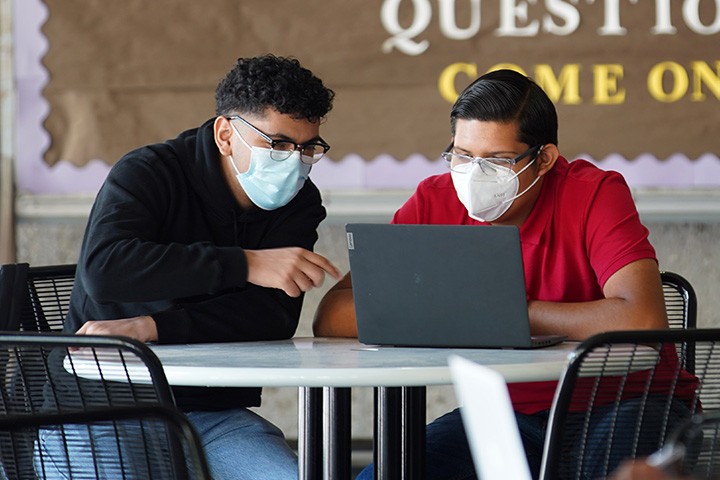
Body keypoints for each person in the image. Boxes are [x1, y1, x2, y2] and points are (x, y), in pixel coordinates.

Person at [313, 69, 696, 479]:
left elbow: (642, 320)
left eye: (496, 160)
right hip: (506, 414)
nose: (474, 174)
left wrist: (504, 312)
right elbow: (333, 315)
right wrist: (473, 313)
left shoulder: (595, 193)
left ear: (544, 159)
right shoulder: (434, 201)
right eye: (461, 155)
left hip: (628, 401)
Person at [36, 54, 341, 480]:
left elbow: (271, 315)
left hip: (209, 413)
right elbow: (106, 269)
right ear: (225, 134)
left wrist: (152, 327)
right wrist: (246, 264)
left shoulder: (300, 201)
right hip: (99, 406)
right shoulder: (148, 172)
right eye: (278, 144)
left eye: (309, 147)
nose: (295, 162)